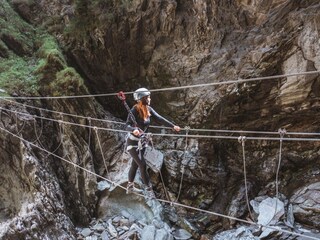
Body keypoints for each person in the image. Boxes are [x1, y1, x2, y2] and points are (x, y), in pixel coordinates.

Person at [125, 87, 180, 199]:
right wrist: (133, 130)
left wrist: (173, 126)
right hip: (132, 143)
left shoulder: (148, 109)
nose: (149, 99)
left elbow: (159, 118)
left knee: (135, 165)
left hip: (143, 142)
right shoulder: (134, 110)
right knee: (142, 164)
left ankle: (130, 186)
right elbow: (126, 125)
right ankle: (149, 190)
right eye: (147, 97)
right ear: (142, 98)